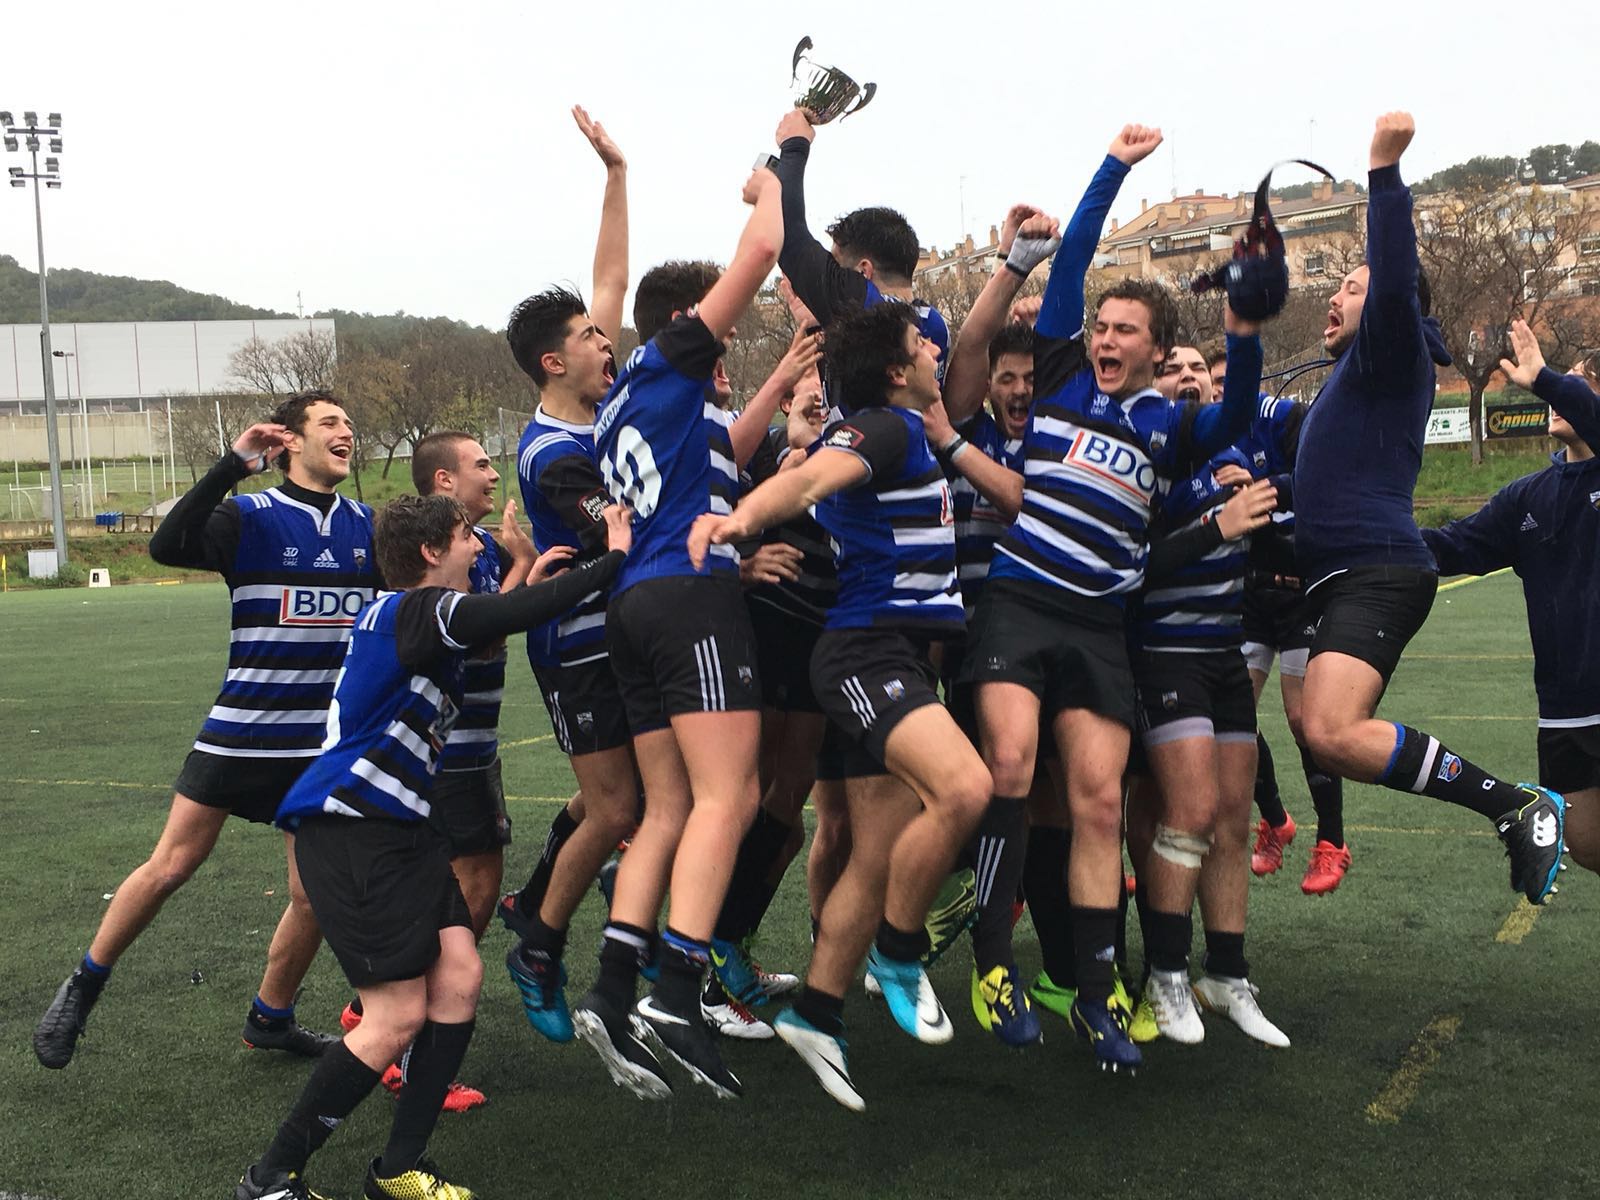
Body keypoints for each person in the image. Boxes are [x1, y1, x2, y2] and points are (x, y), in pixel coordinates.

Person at [959, 124, 1266, 1073]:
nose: (1104, 338)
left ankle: (1098, 996)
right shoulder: (1057, 372)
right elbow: (1074, 261)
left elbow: (1238, 411)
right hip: (1020, 603)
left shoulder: (1172, 426)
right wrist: (1113, 169)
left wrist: (1244, 330)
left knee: (1098, 805)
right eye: (1100, 326)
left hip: (1100, 626)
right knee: (1011, 766)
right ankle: (991, 964)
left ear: (1155, 348)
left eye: (1124, 330)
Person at [234, 492, 630, 1200]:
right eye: (466, 536)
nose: (478, 546)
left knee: (458, 979)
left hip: (402, 832)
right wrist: (616, 555)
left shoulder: (414, 618)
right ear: (429, 551)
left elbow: (489, 625)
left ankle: (399, 1169)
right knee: (395, 1017)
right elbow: (496, 619)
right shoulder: (413, 608)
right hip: (353, 830)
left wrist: (525, 582)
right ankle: (268, 1179)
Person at [688, 300, 991, 1110]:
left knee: (877, 850)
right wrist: (742, 518)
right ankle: (897, 950)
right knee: (966, 789)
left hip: (891, 656)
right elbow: (814, 477)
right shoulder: (883, 427)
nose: (935, 351)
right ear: (897, 371)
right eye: (922, 343)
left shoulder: (903, 427)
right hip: (868, 653)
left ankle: (818, 1011)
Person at [35, 392, 377, 1071]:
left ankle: (271, 1019)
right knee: (171, 865)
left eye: (348, 422)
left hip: (319, 747)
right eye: (330, 422)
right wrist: (230, 466)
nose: (346, 431)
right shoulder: (250, 515)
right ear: (290, 442)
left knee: (313, 895)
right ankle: (81, 988)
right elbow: (166, 546)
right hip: (241, 734)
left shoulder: (368, 525)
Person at [1292, 113, 1565, 907]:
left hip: (1375, 572)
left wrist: (1383, 171)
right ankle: (1513, 806)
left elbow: (1394, 275)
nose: (1334, 295)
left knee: (1331, 729)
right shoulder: (1354, 376)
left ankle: (1514, 805)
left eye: (1351, 285)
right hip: (1348, 576)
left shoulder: (1393, 344)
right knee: (1321, 732)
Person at [571, 161, 784, 1101]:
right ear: (686, 325)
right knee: (730, 796)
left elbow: (718, 452)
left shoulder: (622, 403)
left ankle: (616, 985)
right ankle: (676, 988)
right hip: (689, 596)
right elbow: (764, 249)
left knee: (667, 809)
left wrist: (781, 377)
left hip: (635, 606)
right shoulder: (666, 363)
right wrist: (777, 173)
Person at [332, 431, 538, 1115]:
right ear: (444, 481)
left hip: (471, 746)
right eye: (480, 464)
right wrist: (525, 572)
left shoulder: (478, 550)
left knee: (469, 888)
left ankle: (384, 1009)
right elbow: (483, 633)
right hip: (444, 755)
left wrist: (517, 567)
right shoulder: (433, 559)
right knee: (463, 894)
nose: (493, 474)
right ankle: (403, 1031)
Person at [501, 105, 637, 1045]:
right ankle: (539, 946)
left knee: (629, 796)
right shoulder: (555, 454)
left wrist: (616, 175)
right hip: (578, 646)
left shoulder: (601, 401)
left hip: (624, 636)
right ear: (557, 361)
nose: (607, 339)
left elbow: (610, 281)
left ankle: (541, 891)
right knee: (622, 803)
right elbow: (621, 531)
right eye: (591, 336)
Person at [1424, 328, 1600, 875]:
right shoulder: (1527, 496)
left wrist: (1545, 378)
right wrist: (1362, 534)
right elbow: (1450, 546)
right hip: (1565, 709)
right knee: (1588, 845)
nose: (1563, 393)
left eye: (1581, 384)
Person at [770, 109, 950, 391]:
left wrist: (794, 146)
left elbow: (787, 234)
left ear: (863, 271)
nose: (832, 275)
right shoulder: (935, 324)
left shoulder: (865, 306)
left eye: (836, 267)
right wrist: (819, 324)